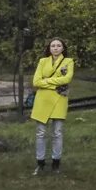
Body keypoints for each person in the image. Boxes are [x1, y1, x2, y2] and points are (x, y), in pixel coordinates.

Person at [30, 38, 75, 175]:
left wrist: (47, 82)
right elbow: (36, 82)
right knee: (41, 133)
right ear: (49, 48)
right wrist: (56, 84)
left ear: (63, 48)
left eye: (58, 45)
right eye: (53, 46)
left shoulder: (69, 61)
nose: (55, 48)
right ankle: (40, 163)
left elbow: (67, 79)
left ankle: (56, 163)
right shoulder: (42, 61)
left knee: (57, 132)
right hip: (42, 100)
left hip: (59, 100)